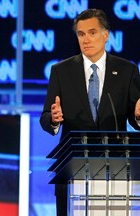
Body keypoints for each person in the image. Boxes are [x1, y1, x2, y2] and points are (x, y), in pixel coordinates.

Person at [39, 9, 140, 216]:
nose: (86, 39)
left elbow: (134, 114)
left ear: (106, 34)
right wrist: (54, 119)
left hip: (115, 167)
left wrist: (138, 116)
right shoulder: (61, 71)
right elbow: (46, 117)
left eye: (92, 32)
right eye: (81, 34)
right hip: (72, 166)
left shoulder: (127, 70)